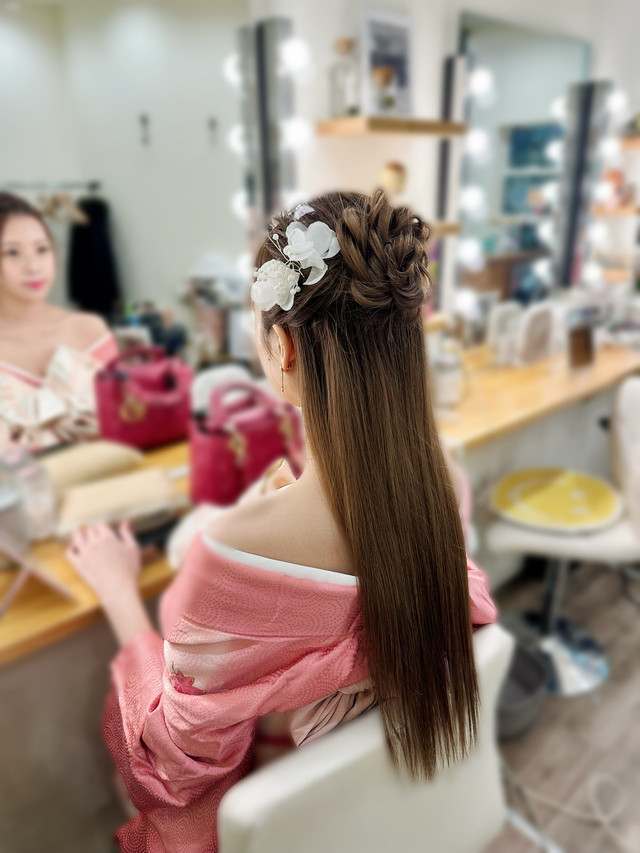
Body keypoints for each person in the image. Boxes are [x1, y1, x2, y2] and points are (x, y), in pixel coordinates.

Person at [66, 190, 497, 853]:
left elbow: (175, 761)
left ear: (283, 347)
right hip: (389, 816)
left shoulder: (226, 556)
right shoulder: (444, 488)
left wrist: (119, 592)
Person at [0, 192, 119, 449]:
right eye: (12, 253)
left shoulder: (89, 329)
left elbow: (128, 417)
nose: (33, 266)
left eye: (41, 249)